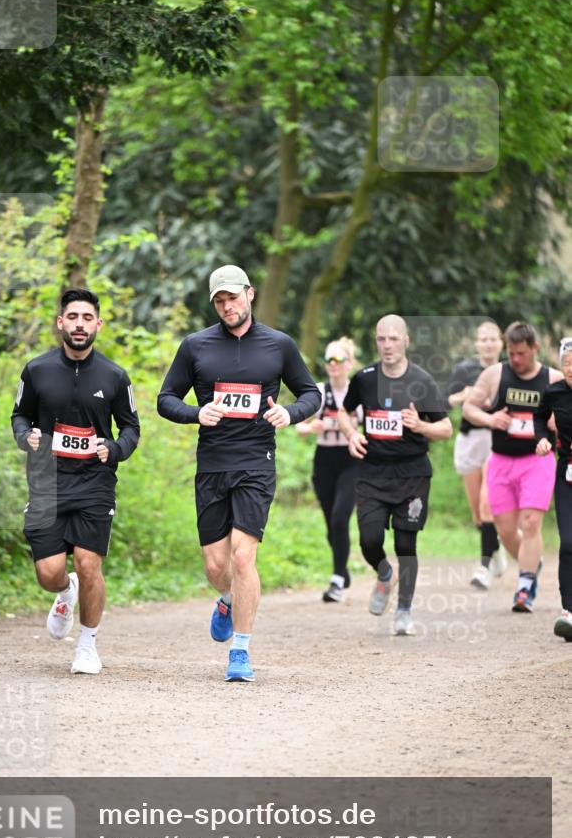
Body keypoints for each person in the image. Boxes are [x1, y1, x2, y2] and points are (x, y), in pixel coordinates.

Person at [157, 264, 320, 682]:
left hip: (256, 462)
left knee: (243, 555)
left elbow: (310, 393)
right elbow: (166, 399)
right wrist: (197, 412)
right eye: (220, 301)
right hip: (212, 464)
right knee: (216, 566)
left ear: (249, 294)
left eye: (233, 297)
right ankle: (228, 599)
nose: (228, 306)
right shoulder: (195, 346)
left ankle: (241, 651)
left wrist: (290, 411)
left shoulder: (278, 345)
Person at [11, 288, 140, 675]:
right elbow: (19, 415)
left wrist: (114, 449)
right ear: (61, 322)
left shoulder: (115, 376)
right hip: (47, 482)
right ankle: (65, 592)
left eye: (87, 318)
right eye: (73, 317)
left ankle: (87, 645)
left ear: (98, 324)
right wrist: (25, 436)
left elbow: (132, 429)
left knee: (88, 564)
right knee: (49, 573)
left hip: (95, 483)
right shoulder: (36, 370)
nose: (80, 325)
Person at [338, 315, 452, 635]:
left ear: (406, 341)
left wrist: (421, 426)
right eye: (381, 339)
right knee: (369, 541)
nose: (387, 345)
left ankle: (404, 610)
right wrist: (351, 435)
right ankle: (385, 573)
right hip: (372, 472)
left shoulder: (423, 381)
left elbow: (446, 428)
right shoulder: (364, 379)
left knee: (406, 543)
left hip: (412, 475)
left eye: (393, 339)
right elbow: (344, 413)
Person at [462, 321, 562, 613]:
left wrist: (557, 424)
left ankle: (525, 586)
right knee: (505, 530)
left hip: (537, 460)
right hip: (501, 461)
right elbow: (470, 407)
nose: (515, 358)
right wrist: (491, 419)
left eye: (521, 353)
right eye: (511, 352)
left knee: (530, 522)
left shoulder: (553, 379)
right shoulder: (495, 375)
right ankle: (533, 561)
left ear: (534, 348)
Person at [295, 337, 358, 602]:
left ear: (349, 364)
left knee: (340, 517)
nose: (333, 365)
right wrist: (310, 428)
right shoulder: (318, 392)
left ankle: (336, 580)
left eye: (338, 360)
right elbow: (298, 424)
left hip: (351, 459)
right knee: (330, 524)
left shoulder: (359, 391)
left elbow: (374, 424)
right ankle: (343, 570)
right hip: (324, 460)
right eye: (329, 360)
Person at [445, 320, 507, 589]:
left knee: (487, 504)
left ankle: (482, 566)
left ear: (501, 342)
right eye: (483, 339)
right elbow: (442, 401)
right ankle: (496, 547)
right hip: (470, 440)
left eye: (493, 339)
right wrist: (463, 397)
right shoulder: (465, 369)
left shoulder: (508, 370)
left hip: (498, 440)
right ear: (476, 343)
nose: (488, 344)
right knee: (478, 515)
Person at [535, 337, 572, 641]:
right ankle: (568, 612)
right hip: (567, 472)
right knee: (568, 542)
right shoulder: (554, 392)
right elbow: (538, 417)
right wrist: (541, 438)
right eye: (567, 364)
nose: (571, 369)